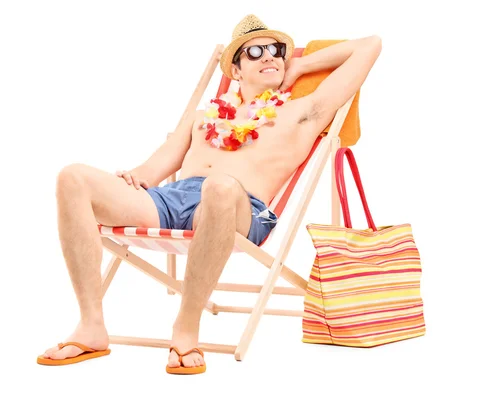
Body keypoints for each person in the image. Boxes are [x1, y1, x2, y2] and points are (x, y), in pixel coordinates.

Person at [37, 14, 382, 374]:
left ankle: (186, 327)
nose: (270, 57)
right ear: (234, 71)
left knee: (220, 187)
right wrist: (131, 177)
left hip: (243, 206)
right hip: (172, 201)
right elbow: (151, 173)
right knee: (72, 177)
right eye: (256, 52)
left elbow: (370, 45)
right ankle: (91, 326)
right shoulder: (203, 117)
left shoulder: (303, 112)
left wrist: (301, 63)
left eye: (277, 51)